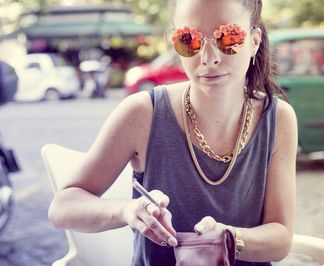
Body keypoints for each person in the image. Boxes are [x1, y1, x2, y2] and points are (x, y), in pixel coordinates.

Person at [48, 0, 298, 265]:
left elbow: (280, 238)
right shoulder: (142, 113)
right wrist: (127, 210)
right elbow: (63, 206)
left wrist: (229, 238)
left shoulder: (278, 118)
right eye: (189, 40)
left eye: (228, 37)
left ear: (255, 41)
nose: (209, 57)